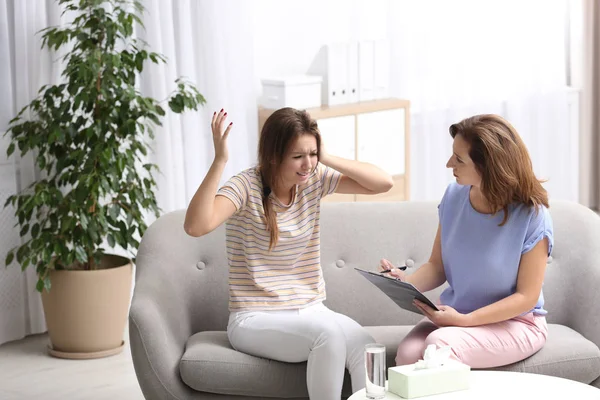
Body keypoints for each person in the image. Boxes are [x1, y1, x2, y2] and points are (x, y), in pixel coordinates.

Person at [184, 107, 394, 399]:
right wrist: (220, 160)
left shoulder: (313, 179)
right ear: (274, 155)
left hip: (311, 309)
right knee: (329, 337)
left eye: (311, 153)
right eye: (297, 156)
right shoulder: (246, 186)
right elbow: (196, 226)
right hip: (254, 317)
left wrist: (324, 156)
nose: (307, 164)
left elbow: (384, 183)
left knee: (368, 348)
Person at [380, 114, 553, 369]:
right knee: (407, 355)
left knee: (438, 345)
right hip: (455, 316)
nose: (449, 164)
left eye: (459, 159)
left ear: (489, 167)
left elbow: (526, 297)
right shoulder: (453, 197)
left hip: (516, 322)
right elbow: (437, 267)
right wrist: (404, 283)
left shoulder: (532, 215)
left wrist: (465, 320)